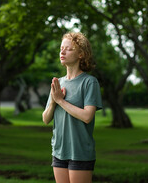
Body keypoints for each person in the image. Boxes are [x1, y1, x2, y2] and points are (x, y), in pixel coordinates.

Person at [42, 32, 102, 183]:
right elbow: (45, 119)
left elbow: (87, 116)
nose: (62, 52)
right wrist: (53, 101)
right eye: (61, 48)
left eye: (68, 49)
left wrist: (61, 101)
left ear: (81, 54)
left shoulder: (89, 82)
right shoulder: (58, 83)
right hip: (59, 151)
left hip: (80, 152)